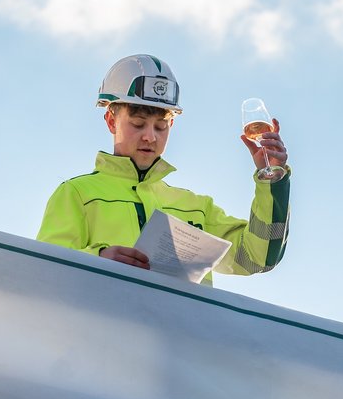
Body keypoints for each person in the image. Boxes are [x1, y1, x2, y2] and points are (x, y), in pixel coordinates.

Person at [37, 54, 290, 283]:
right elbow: (43, 274)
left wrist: (272, 180)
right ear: (112, 121)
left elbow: (258, 258)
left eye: (161, 126)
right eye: (138, 124)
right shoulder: (77, 194)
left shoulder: (198, 207)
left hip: (182, 333)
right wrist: (98, 259)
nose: (150, 137)